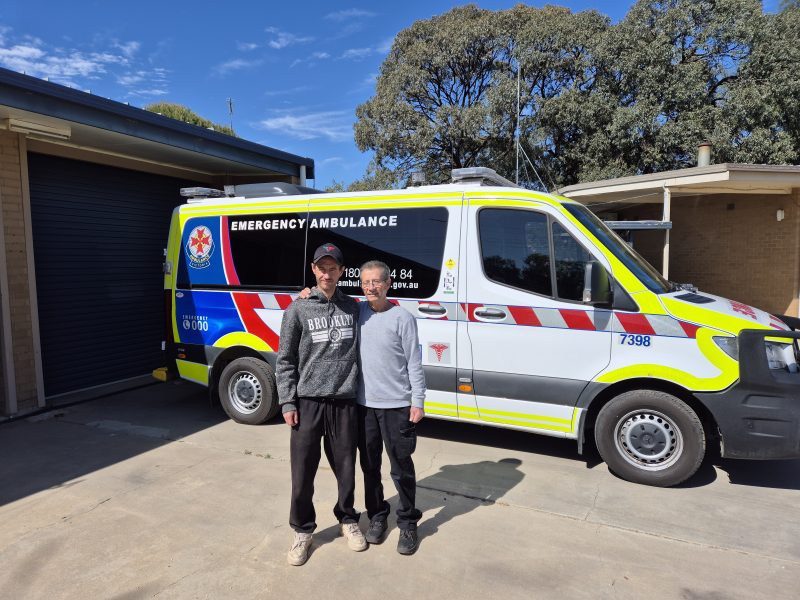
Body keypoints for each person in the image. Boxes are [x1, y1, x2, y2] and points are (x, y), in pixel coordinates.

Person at [276, 242, 366, 567]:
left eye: (333, 268)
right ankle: (302, 531)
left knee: (346, 470)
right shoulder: (297, 309)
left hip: (343, 403)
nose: (327, 273)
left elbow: (381, 310)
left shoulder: (354, 309)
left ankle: (348, 519)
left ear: (342, 271)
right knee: (302, 473)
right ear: (314, 270)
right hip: (308, 403)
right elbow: (284, 360)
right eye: (321, 267)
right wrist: (287, 401)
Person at [356, 260, 425, 555]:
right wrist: (307, 293)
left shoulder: (403, 318)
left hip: (397, 405)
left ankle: (408, 522)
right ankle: (377, 516)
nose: (371, 287)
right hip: (363, 406)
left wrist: (418, 401)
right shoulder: (356, 312)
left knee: (401, 468)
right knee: (370, 467)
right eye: (365, 282)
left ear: (388, 284)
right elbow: (328, 300)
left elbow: (414, 362)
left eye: (376, 282)